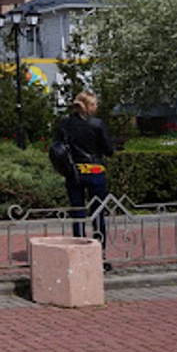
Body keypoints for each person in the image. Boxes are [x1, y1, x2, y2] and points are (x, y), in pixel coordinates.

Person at [54, 91, 114, 248]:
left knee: (78, 213)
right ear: (87, 106)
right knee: (98, 213)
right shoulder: (97, 124)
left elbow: (57, 148)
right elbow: (109, 150)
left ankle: (79, 248)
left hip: (74, 173)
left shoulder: (64, 125)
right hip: (95, 171)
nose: (96, 107)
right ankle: (99, 252)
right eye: (93, 104)